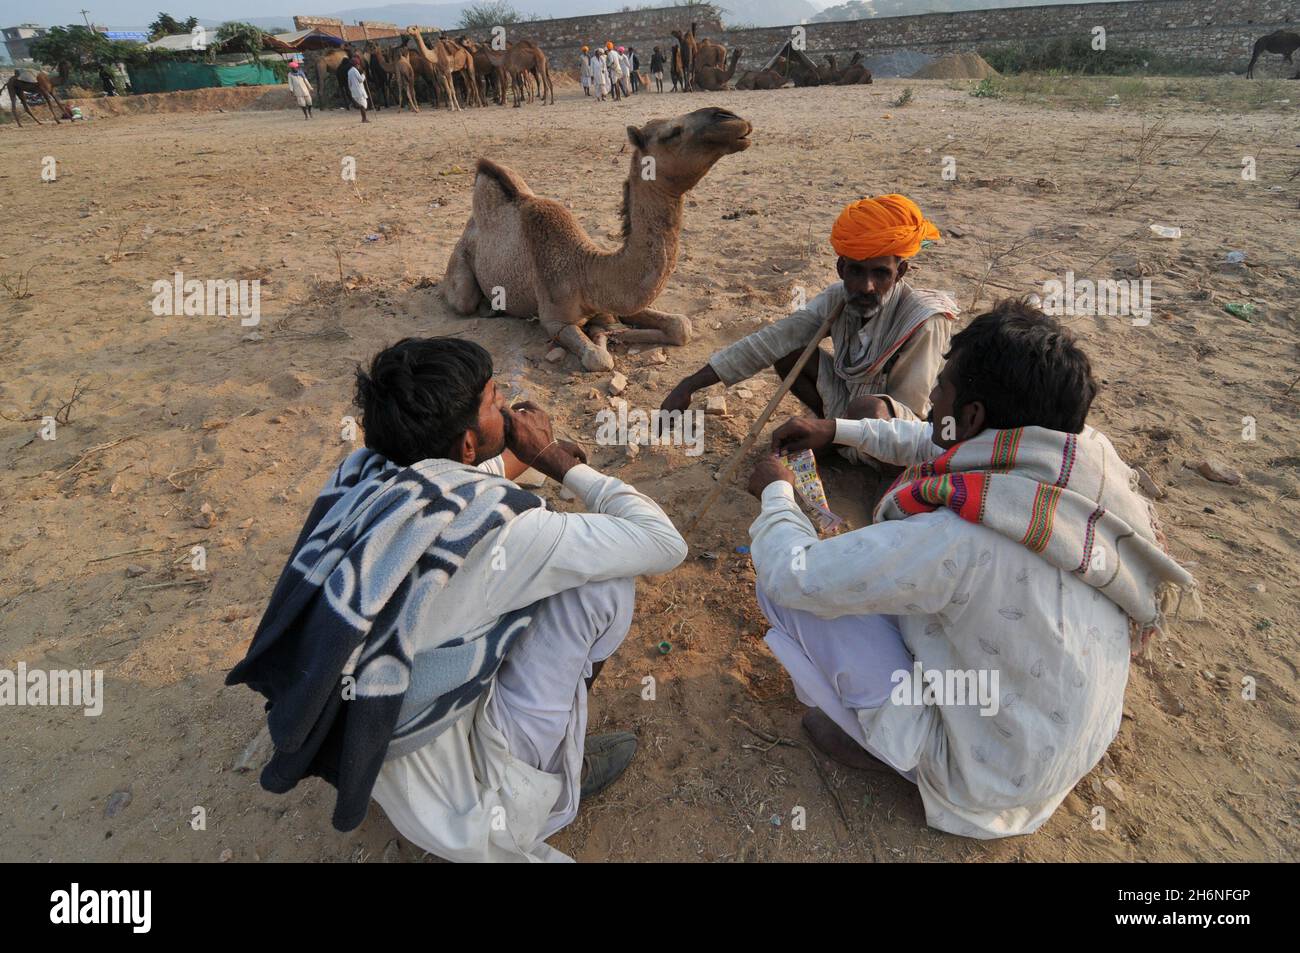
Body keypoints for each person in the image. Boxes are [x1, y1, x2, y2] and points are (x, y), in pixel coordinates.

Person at [745, 300, 1198, 839]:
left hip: (985, 785)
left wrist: (777, 494)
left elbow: (794, 572)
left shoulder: (958, 538)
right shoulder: (1088, 464)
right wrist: (838, 429)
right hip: (1063, 751)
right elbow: (936, 439)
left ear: (975, 415)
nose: (931, 398)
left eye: (942, 387)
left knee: (788, 591)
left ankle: (887, 746)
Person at [227, 338, 687, 862]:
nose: (507, 408)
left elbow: (454, 486)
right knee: (602, 584)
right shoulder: (502, 532)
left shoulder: (360, 472)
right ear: (468, 445)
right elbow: (663, 543)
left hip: (375, 743)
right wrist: (557, 462)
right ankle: (548, 771)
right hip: (455, 792)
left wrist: (517, 459)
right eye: (495, 403)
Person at [662, 194, 957, 469]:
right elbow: (773, 340)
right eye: (856, 271)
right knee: (790, 351)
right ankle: (834, 442)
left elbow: (909, 413)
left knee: (869, 408)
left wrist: (836, 431)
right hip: (846, 406)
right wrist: (688, 385)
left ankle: (831, 446)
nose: (867, 287)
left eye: (880, 273)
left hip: (896, 435)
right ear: (841, 268)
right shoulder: (837, 298)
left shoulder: (925, 319)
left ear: (900, 273)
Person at [347, 54, 370, 122]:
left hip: (354, 90)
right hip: (359, 90)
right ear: (356, 64)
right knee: (363, 104)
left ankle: (363, 118)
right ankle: (364, 119)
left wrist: (351, 90)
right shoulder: (355, 70)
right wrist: (363, 75)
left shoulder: (349, 71)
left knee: (361, 104)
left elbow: (349, 83)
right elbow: (360, 80)